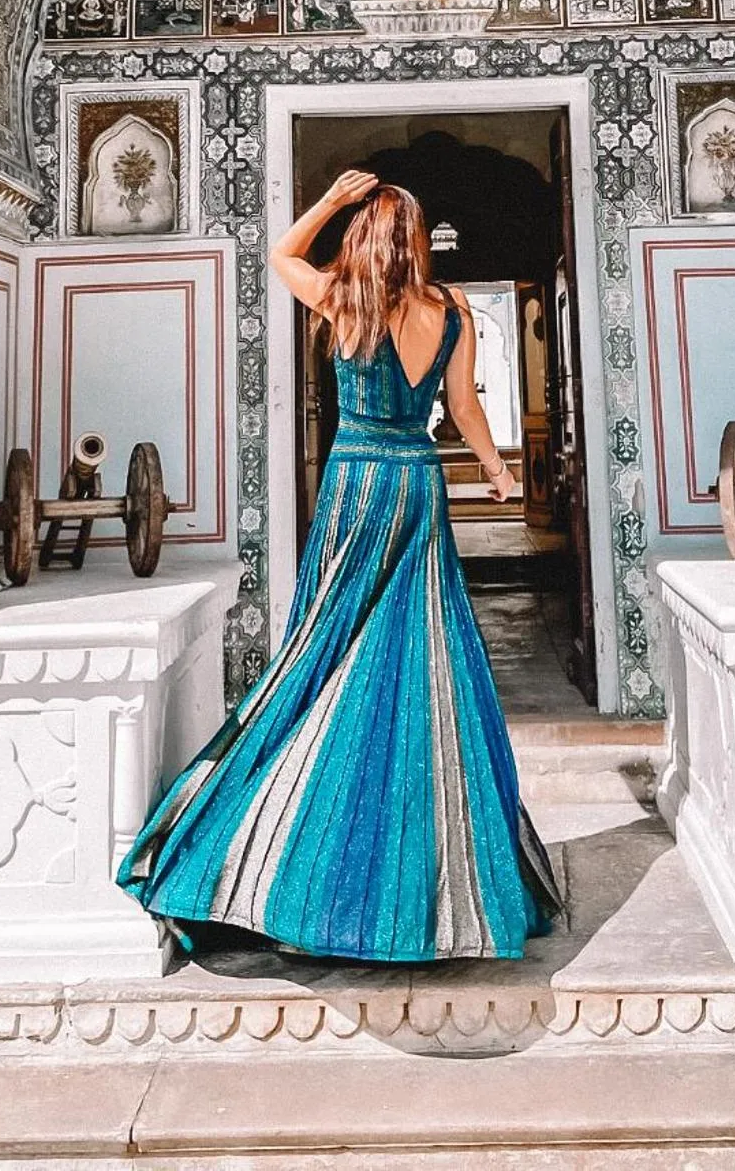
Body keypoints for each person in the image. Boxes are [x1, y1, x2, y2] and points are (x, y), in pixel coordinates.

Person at [118, 170, 560, 961]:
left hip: (357, 485)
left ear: (362, 242)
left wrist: (328, 202)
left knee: (324, 651)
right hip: (418, 486)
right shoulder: (452, 311)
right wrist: (496, 471)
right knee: (419, 649)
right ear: (417, 244)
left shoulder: (342, 301)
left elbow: (281, 253)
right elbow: (462, 411)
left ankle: (282, 847)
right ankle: (435, 874)